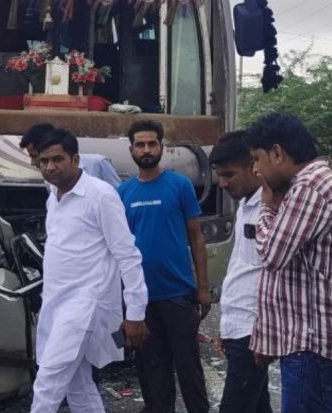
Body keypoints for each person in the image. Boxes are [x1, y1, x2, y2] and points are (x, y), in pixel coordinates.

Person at [246, 112, 332, 413]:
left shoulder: (310, 186)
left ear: (278, 153)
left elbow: (272, 256)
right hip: (309, 348)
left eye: (257, 159)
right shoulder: (307, 184)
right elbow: (289, 278)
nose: (256, 170)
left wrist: (267, 207)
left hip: (313, 350)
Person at [31, 128, 148, 412]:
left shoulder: (100, 195)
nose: (50, 167)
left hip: (85, 306)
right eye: (43, 161)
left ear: (75, 159)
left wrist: (135, 313)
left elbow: (128, 255)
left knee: (48, 383)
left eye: (57, 159)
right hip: (56, 303)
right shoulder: (53, 196)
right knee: (78, 385)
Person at [117, 119, 210, 413]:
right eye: (140, 145)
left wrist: (203, 289)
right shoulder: (123, 193)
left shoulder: (180, 186)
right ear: (131, 149)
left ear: (161, 147)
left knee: (189, 370)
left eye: (152, 143)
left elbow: (196, 238)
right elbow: (119, 249)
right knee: (152, 374)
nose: (146, 150)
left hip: (178, 295)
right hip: (141, 300)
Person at [209, 131, 271, 413]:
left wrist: (265, 334)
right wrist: (227, 325)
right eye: (219, 176)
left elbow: (273, 277)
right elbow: (240, 268)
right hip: (240, 327)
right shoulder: (246, 205)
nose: (222, 184)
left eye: (229, 175)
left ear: (253, 167)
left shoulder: (271, 209)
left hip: (253, 332)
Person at [19, 122, 121, 187]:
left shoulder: (97, 164)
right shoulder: (51, 182)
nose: (32, 162)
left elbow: (121, 197)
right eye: (45, 160)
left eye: (34, 156)